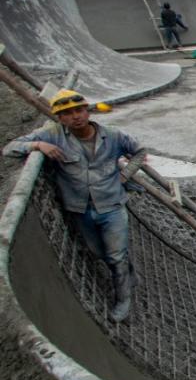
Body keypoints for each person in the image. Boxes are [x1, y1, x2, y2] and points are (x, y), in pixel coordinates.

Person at [3, 89, 146, 322]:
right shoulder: (52, 135)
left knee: (116, 254)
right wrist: (37, 145)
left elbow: (139, 152)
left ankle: (123, 298)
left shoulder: (112, 135)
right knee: (97, 251)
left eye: (79, 110)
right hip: (80, 209)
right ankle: (129, 272)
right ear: (59, 118)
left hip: (112, 205)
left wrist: (124, 176)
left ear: (87, 111)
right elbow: (9, 149)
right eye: (67, 113)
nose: (75, 117)